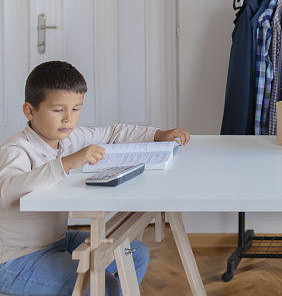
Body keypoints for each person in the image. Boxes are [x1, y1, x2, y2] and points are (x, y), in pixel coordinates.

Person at [0, 61, 191, 295]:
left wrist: (157, 134)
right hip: (17, 259)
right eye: (58, 110)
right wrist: (67, 163)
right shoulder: (18, 149)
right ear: (30, 111)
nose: (68, 119)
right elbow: (6, 190)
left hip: (59, 241)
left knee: (134, 254)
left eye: (76, 109)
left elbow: (112, 134)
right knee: (105, 285)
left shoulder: (70, 137)